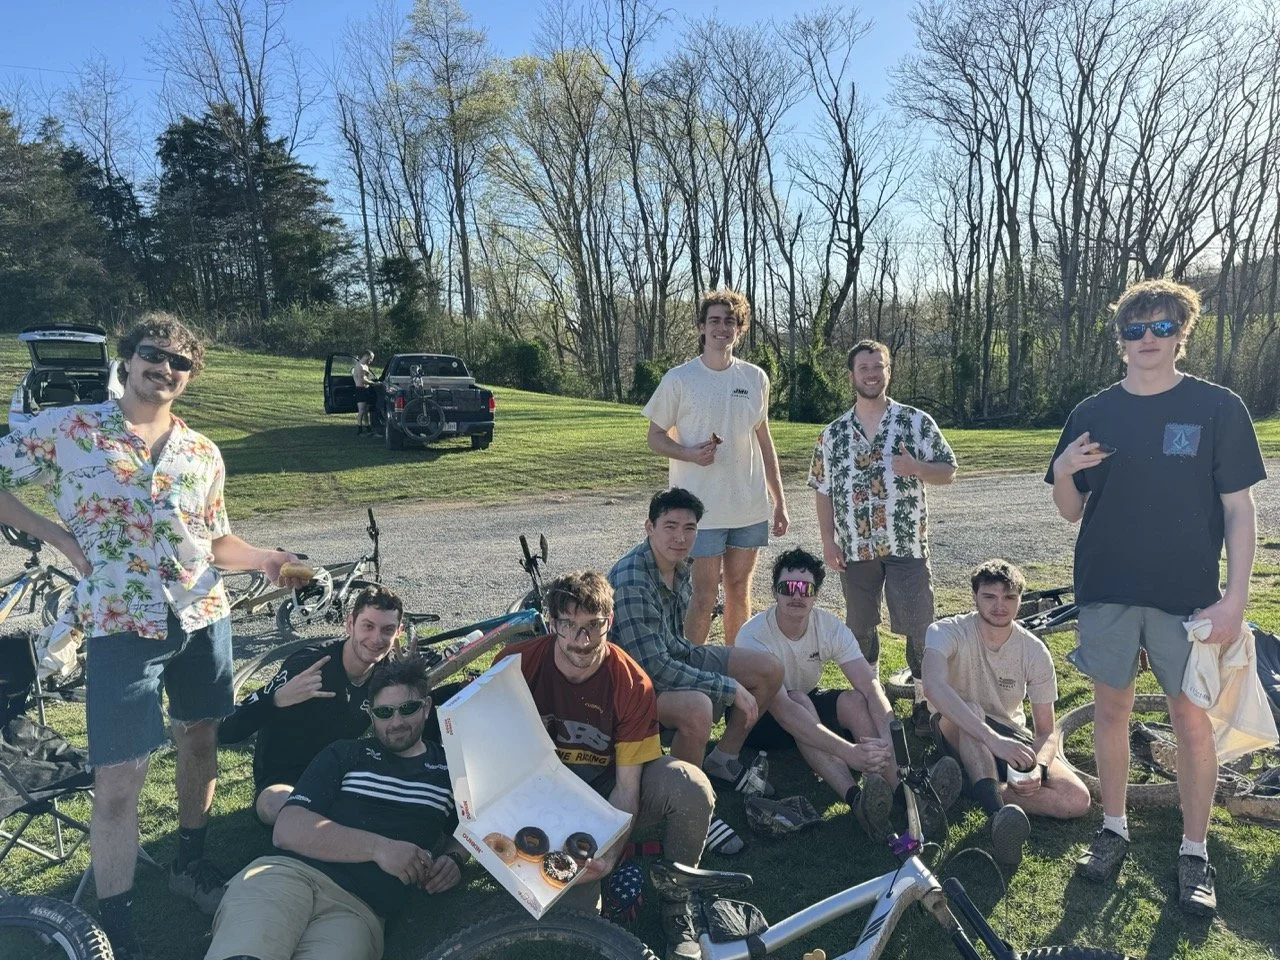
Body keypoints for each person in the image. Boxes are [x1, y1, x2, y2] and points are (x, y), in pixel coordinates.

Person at [0, 314, 310, 959]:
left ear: (190, 377)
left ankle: (188, 862)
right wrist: (57, 537)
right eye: (153, 354)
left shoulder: (202, 452)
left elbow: (215, 540)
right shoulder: (72, 427)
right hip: (118, 623)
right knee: (120, 776)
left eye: (179, 362)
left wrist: (265, 559)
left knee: (200, 737)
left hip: (201, 615)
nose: (164, 367)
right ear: (128, 358)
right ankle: (117, 924)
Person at [1046, 279, 1266, 915]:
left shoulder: (1217, 407)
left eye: (1162, 328)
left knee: (1189, 723)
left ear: (1182, 334)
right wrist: (1062, 472)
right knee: (1110, 712)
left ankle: (1194, 851)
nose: (1148, 340)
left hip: (1189, 600)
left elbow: (1239, 510)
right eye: (1135, 329)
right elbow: (1069, 510)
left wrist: (1234, 598)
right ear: (1119, 340)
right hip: (1106, 590)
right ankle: (1112, 829)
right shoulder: (1092, 411)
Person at [497, 570, 715, 960]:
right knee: (576, 923)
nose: (582, 640)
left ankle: (677, 902)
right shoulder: (514, 665)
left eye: (593, 626)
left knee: (689, 785)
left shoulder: (631, 682)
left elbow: (627, 787)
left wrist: (608, 855)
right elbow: (490, 758)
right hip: (542, 802)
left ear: (609, 623)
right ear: (551, 624)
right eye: (569, 625)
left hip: (606, 794)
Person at [204, 654, 465, 960]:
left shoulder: (449, 772)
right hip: (289, 875)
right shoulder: (346, 754)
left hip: (359, 909)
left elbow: (480, 826)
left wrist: (456, 858)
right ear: (371, 714)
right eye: (384, 712)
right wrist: (380, 849)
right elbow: (288, 830)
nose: (396, 722)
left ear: (426, 708)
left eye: (407, 709)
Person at [609, 488, 783, 856]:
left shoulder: (680, 566)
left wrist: (720, 678)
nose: (680, 537)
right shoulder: (631, 578)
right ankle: (694, 804)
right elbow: (653, 669)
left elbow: (676, 645)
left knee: (768, 670)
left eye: (689, 528)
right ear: (649, 528)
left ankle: (723, 760)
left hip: (673, 657)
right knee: (697, 708)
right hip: (629, 688)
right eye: (670, 526)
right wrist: (726, 687)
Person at [809, 339, 957, 734]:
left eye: (879, 366)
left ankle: (925, 705)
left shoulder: (915, 421)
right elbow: (821, 490)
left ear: (888, 371)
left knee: (919, 626)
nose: (872, 374)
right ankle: (869, 698)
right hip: (855, 548)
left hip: (906, 543)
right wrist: (828, 540)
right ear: (852, 374)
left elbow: (948, 470)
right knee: (859, 627)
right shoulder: (833, 434)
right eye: (864, 368)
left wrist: (916, 467)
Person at [736, 547, 922, 835]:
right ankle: (856, 799)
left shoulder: (828, 626)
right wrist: (850, 753)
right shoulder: (753, 635)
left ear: (816, 594)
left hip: (800, 701)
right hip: (759, 719)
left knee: (855, 700)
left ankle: (902, 794)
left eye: (805, 588)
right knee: (798, 701)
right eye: (788, 588)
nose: (797, 595)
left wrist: (888, 735)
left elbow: (870, 686)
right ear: (775, 593)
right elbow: (785, 712)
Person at [922, 559, 1091, 868]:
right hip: (955, 725)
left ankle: (975, 788)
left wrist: (1038, 767)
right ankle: (998, 816)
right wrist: (992, 739)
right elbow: (933, 687)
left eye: (1009, 597)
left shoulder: (1034, 650)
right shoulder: (945, 631)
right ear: (975, 597)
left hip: (1010, 735)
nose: (1000, 606)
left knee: (1077, 799)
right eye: (990, 596)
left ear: (1019, 600)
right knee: (972, 713)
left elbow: (1046, 731)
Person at [643, 289, 789, 646]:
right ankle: (691, 665)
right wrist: (690, 453)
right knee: (703, 594)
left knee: (739, 589)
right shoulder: (679, 379)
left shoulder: (756, 378)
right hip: (699, 510)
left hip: (748, 506)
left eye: (730, 321)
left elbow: (764, 441)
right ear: (701, 327)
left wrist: (779, 501)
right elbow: (655, 437)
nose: (722, 328)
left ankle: (737, 665)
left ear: (740, 329)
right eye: (714, 321)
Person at [218, 585, 405, 825]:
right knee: (273, 806)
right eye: (367, 626)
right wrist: (277, 699)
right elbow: (228, 729)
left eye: (387, 630)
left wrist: (413, 681)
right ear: (349, 624)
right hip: (285, 779)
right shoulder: (309, 664)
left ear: (398, 631)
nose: (376, 639)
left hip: (339, 775)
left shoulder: (389, 673)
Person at [352, 350, 375, 435]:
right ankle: (359, 427)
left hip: (366, 390)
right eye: (371, 358)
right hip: (360, 389)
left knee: (366, 410)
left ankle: (367, 426)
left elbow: (367, 377)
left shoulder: (366, 366)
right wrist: (373, 383)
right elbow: (362, 380)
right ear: (366, 355)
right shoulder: (360, 366)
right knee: (361, 409)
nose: (371, 360)